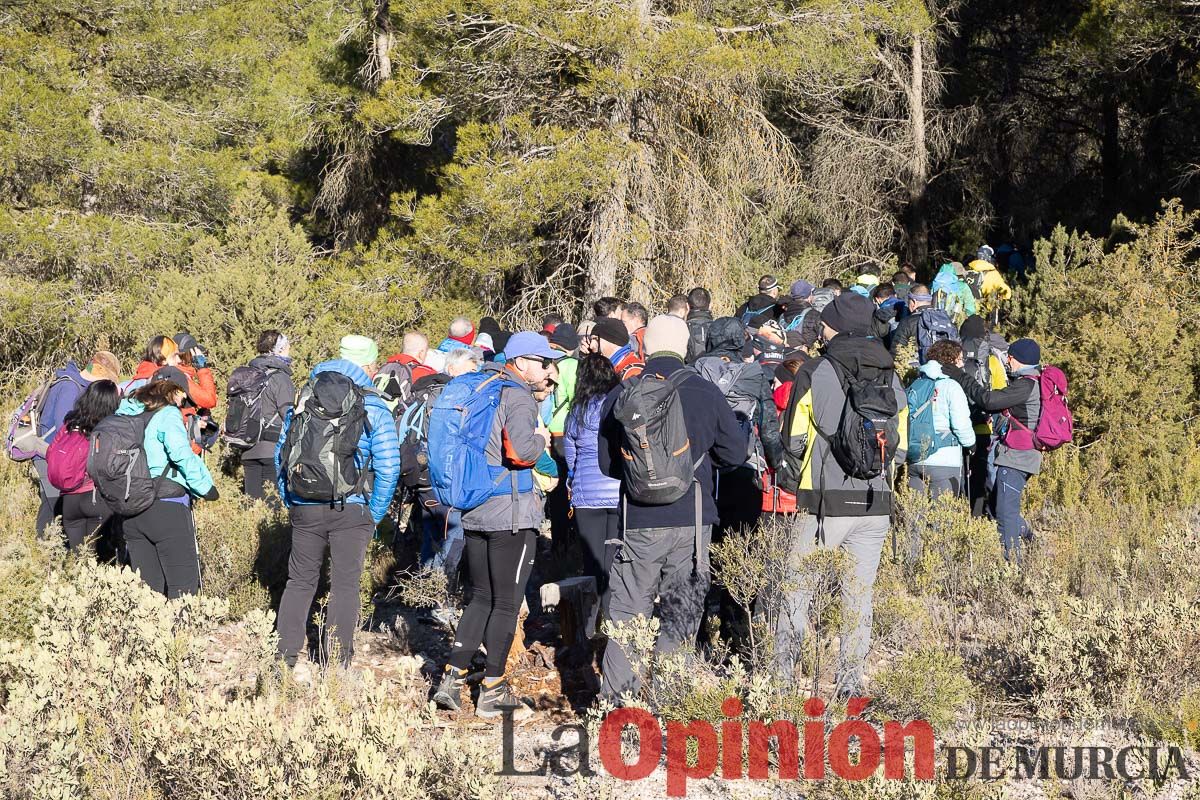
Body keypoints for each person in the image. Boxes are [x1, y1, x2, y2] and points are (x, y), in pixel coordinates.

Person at [597, 315, 746, 702]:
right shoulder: (705, 391)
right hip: (692, 519)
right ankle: (668, 701)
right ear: (686, 348)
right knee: (681, 612)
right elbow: (735, 453)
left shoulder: (623, 393)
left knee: (628, 612)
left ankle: (618, 708)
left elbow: (606, 465)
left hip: (638, 519)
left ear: (644, 348)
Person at [775, 292, 907, 696]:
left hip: (822, 504)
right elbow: (900, 448)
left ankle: (781, 682)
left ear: (835, 327)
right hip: (875, 503)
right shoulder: (891, 375)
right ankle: (850, 684)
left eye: (826, 323)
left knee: (797, 591)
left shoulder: (814, 372)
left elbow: (793, 439)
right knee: (859, 597)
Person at [432, 332, 563, 720]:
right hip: (511, 512)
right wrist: (542, 440)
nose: (546, 369)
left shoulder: (477, 386)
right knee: (506, 602)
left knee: (482, 597)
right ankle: (492, 689)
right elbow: (521, 451)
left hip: (474, 505)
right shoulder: (517, 394)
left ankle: (451, 680)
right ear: (521, 362)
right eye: (542, 362)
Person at [275, 335, 400, 668]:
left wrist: (291, 499)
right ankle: (336, 664)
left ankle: (283, 657)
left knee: (299, 581)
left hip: (304, 503)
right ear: (369, 366)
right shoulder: (372, 403)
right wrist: (373, 514)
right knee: (346, 585)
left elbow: (281, 455)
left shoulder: (306, 395)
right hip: (352, 506)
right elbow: (389, 465)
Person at [694, 316, 785, 652]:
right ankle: (739, 636)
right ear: (739, 343)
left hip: (701, 474)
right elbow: (769, 428)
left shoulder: (693, 372)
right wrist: (777, 464)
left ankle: (700, 632)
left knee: (701, 553)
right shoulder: (755, 375)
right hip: (743, 471)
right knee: (742, 551)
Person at [941, 338, 1043, 561]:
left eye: (1010, 357)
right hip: (1020, 456)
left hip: (1016, 458)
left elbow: (988, 399)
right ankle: (1031, 541)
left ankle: (1012, 567)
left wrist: (961, 376)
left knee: (1004, 514)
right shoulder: (1031, 383)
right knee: (1000, 506)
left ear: (1019, 360)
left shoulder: (1026, 385)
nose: (1007, 360)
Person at [117, 374, 218, 598]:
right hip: (167, 505)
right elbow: (181, 454)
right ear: (174, 391)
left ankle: (147, 633)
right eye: (184, 397)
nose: (184, 403)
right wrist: (206, 487)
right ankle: (181, 633)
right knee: (183, 587)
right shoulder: (168, 414)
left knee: (148, 592)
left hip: (131, 506)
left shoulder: (125, 413)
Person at [416, 347, 481, 615]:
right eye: (470, 369)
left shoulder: (426, 392)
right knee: (451, 537)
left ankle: (422, 598)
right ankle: (440, 602)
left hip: (422, 478)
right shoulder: (452, 396)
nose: (476, 375)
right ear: (452, 369)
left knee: (431, 535)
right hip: (445, 480)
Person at [563, 354, 622, 632]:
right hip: (617, 490)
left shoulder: (577, 411)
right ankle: (613, 625)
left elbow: (571, 457)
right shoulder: (617, 405)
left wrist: (571, 484)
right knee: (614, 563)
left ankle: (587, 629)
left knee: (592, 564)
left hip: (587, 494)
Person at [32, 351, 120, 536]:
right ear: (99, 371)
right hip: (52, 456)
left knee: (53, 509)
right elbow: (64, 429)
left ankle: (49, 552)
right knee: (53, 508)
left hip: (56, 455)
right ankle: (45, 552)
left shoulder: (74, 385)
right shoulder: (69, 388)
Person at [52, 379, 120, 552]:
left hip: (68, 499)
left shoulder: (70, 424)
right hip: (95, 498)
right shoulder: (107, 428)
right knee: (98, 558)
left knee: (77, 557)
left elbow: (51, 452)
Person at [907, 340, 975, 499]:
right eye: (959, 359)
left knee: (915, 518)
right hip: (944, 460)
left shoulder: (917, 382)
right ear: (951, 360)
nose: (961, 363)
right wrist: (971, 444)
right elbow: (961, 424)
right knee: (941, 518)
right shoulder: (951, 386)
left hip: (915, 458)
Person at [238, 330, 297, 501]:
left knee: (252, 504)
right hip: (272, 449)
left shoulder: (247, 375)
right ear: (278, 350)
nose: (289, 349)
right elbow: (288, 415)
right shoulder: (280, 378)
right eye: (287, 346)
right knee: (273, 504)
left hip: (247, 448)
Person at [172, 332, 219, 454]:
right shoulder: (179, 377)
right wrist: (202, 369)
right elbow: (210, 400)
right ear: (189, 356)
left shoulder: (171, 374)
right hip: (185, 444)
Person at [967, 246, 1013, 320]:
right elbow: (1007, 293)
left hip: (968, 310)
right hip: (985, 313)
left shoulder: (968, 269)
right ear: (988, 257)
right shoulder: (993, 274)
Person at [889, 284, 934, 357]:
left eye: (908, 302)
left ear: (914, 302)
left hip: (917, 366)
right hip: (945, 366)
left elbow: (897, 350)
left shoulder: (908, 322)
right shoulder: (945, 318)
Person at [778, 280, 822, 350]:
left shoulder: (782, 315)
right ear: (809, 296)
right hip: (803, 357)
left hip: (784, 355)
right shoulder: (815, 315)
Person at [684, 287, 714, 364]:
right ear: (710, 305)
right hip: (714, 373)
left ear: (687, 306)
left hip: (687, 372)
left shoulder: (682, 328)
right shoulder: (719, 328)